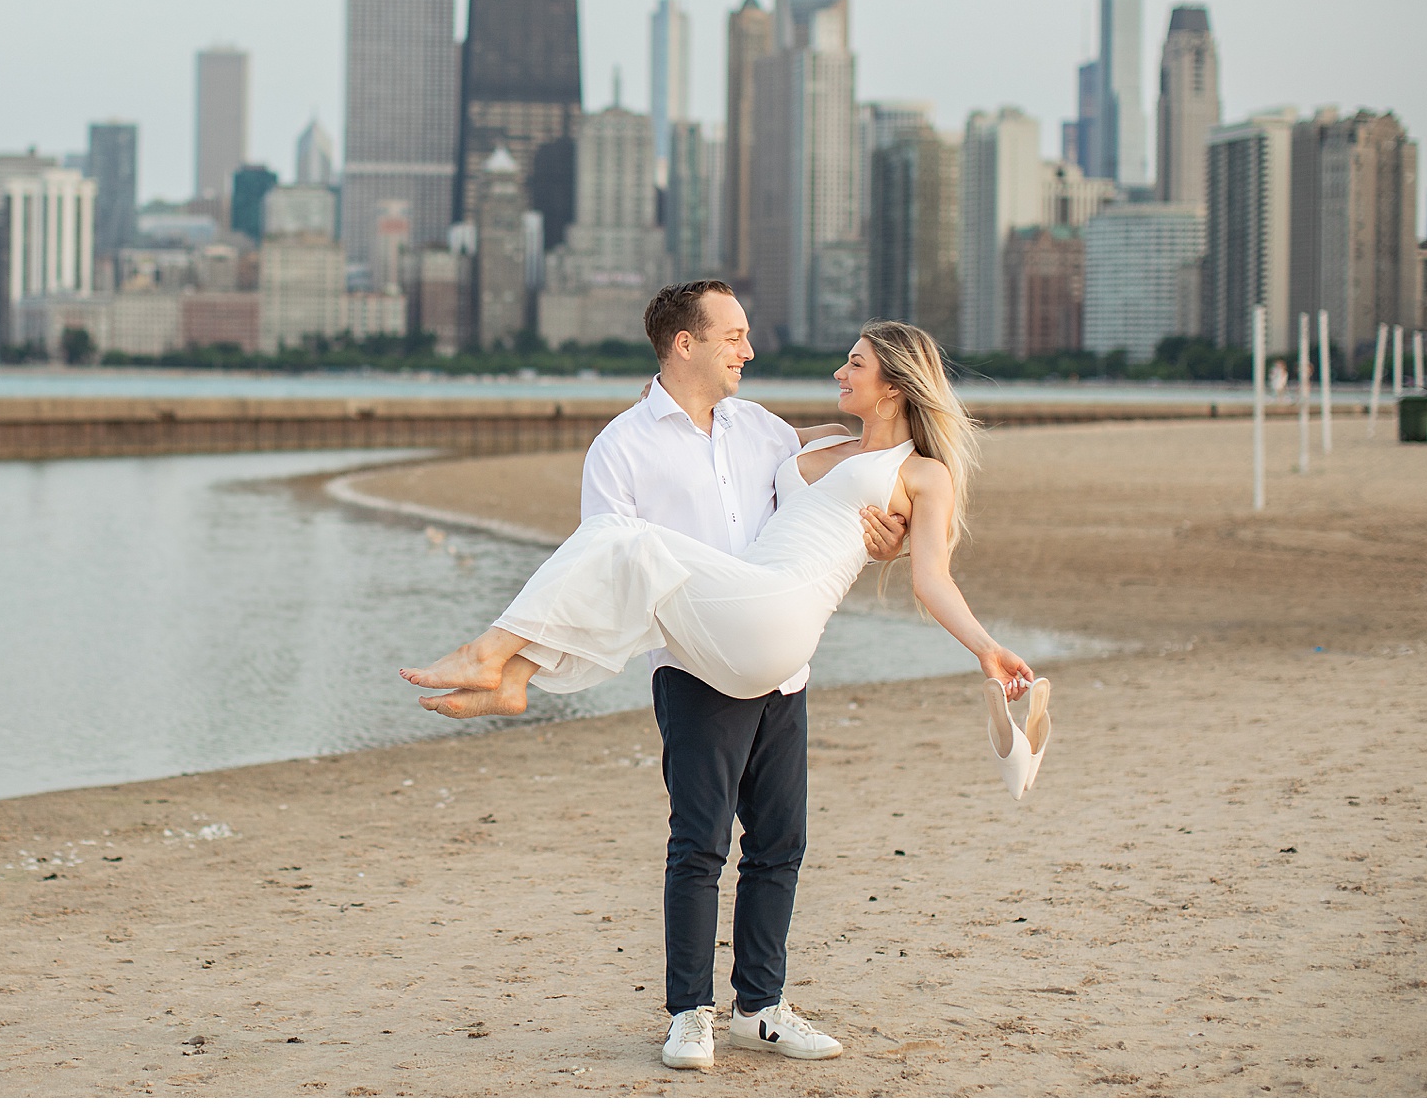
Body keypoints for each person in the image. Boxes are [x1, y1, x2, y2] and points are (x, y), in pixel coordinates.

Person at [401, 294, 1035, 1071]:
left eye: (855, 363)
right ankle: (691, 1015)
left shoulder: (823, 446)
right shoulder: (645, 445)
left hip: (779, 640)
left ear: (896, 385)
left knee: (780, 843)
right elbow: (614, 575)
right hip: (703, 654)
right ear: (683, 345)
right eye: (733, 337)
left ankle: (761, 1008)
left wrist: (976, 638)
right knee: (698, 840)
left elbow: (927, 576)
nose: (752, 351)